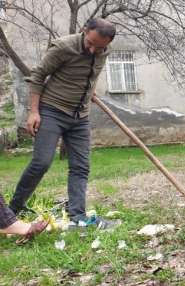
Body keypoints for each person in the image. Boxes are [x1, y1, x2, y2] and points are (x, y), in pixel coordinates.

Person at [8, 19, 117, 228]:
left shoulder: (104, 51)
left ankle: (78, 217)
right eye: (90, 43)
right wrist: (34, 112)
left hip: (80, 117)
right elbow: (37, 76)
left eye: (99, 47)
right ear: (84, 30)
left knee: (80, 167)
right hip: (51, 111)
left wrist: (88, 90)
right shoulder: (63, 47)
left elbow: (91, 73)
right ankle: (11, 211)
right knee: (41, 163)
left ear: (108, 43)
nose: (93, 50)